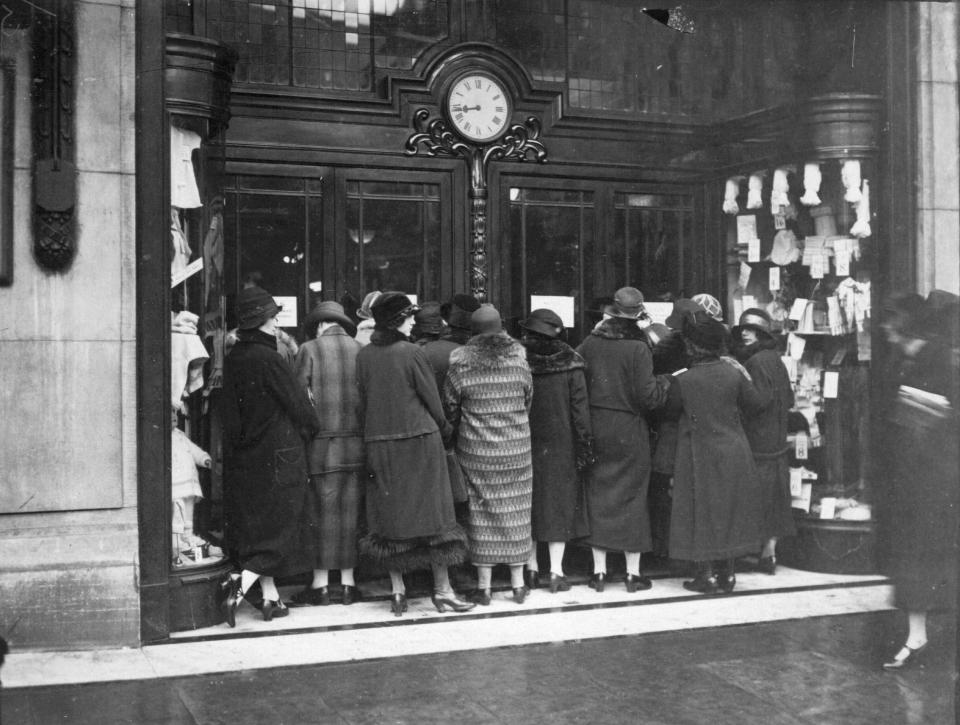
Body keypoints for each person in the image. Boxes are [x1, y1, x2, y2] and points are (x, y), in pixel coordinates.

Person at [356, 292, 475, 616]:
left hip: (380, 444)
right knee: (436, 520)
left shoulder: (364, 356)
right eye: (408, 317)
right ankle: (443, 591)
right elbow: (432, 401)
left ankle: (398, 592)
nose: (413, 322)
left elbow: (363, 402)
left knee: (389, 520)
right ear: (398, 321)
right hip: (421, 442)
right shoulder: (412, 352)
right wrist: (445, 429)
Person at [221, 286, 321, 625]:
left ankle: (270, 596)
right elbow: (300, 407)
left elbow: (230, 418)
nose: (277, 320)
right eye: (273, 316)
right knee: (284, 523)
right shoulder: (269, 359)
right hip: (282, 454)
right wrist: (312, 426)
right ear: (264, 322)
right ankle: (242, 580)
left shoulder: (234, 358)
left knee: (262, 526)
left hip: (249, 457)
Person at [877, 291, 959, 670]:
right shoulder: (906, 360)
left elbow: (928, 430)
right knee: (916, 563)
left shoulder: (938, 362)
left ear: (905, 324)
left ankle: (919, 637)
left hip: (934, 487)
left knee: (928, 561)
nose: (885, 328)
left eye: (891, 321)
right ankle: (916, 636)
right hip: (914, 487)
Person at [576, 287, 670, 592]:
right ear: (637, 315)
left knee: (599, 496)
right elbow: (649, 397)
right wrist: (666, 383)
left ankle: (599, 572)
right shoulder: (638, 347)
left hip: (598, 425)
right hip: (630, 429)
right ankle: (632, 574)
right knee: (633, 497)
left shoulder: (590, 343)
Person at [664, 309, 765, 594]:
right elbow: (756, 405)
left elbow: (669, 411)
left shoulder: (684, 379)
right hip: (734, 449)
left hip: (698, 453)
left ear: (692, 346)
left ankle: (705, 576)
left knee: (701, 512)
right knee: (729, 511)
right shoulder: (733, 372)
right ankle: (728, 575)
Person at [444, 304, 534, 605]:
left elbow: (451, 406)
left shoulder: (461, 364)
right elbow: (528, 399)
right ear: (502, 329)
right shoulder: (519, 362)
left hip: (477, 451)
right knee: (517, 512)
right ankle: (518, 584)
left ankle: (483, 587)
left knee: (480, 515)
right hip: (516, 450)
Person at [291, 301, 363, 607]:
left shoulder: (309, 348)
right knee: (351, 514)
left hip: (321, 447)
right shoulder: (361, 349)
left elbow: (298, 398)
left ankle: (320, 585)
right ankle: (348, 584)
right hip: (356, 445)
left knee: (320, 513)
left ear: (320, 325)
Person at [519, 309, 593, 593]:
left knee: (530, 505)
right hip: (562, 444)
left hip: (526, 441)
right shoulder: (572, 363)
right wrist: (585, 445)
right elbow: (580, 411)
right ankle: (556, 571)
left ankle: (531, 569)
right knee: (559, 506)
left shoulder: (519, 361)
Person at [730, 308, 795, 575]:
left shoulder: (755, 362)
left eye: (751, 330)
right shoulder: (774, 359)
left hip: (759, 441)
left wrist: (739, 381)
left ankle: (757, 551)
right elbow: (789, 399)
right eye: (743, 329)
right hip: (776, 440)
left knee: (759, 498)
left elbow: (757, 402)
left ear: (762, 334)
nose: (745, 334)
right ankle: (769, 552)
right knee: (775, 499)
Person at [647, 298, 700, 562]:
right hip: (690, 427)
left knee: (662, 489)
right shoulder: (706, 347)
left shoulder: (665, 345)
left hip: (668, 428)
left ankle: (661, 547)